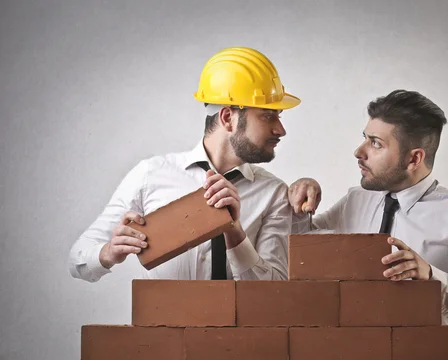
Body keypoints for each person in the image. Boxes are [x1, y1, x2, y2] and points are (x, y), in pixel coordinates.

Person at [289, 90, 448, 338]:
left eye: (376, 143)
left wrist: (432, 280)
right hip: (350, 358)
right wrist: (300, 199)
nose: (358, 152)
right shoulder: (355, 200)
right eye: (365, 138)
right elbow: (297, 249)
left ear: (414, 158)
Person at [69, 47, 300, 282]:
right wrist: (108, 252)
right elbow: (77, 260)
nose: (280, 130)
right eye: (267, 115)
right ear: (228, 118)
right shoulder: (151, 175)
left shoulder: (274, 194)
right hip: (161, 318)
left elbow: (274, 293)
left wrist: (235, 232)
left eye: (278, 116)